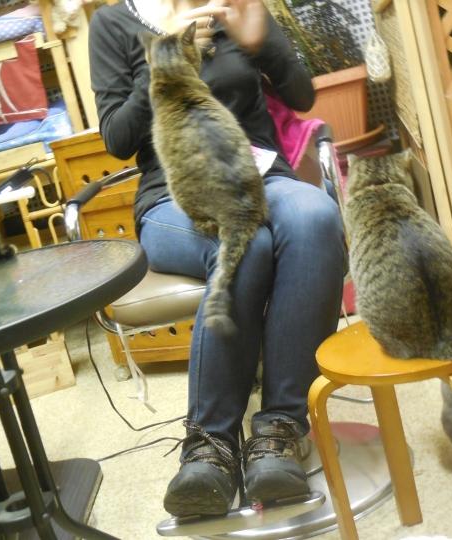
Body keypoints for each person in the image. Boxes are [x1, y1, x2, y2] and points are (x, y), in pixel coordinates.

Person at [88, 0, 347, 517]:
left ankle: (279, 432)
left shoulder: (239, 7)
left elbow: (301, 95)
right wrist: (166, 52)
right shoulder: (112, 23)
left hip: (259, 176)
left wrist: (262, 43)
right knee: (244, 241)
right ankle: (210, 447)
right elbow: (118, 138)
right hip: (175, 194)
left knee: (315, 216)